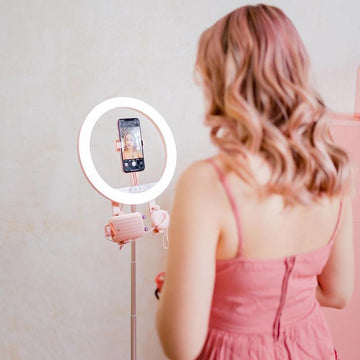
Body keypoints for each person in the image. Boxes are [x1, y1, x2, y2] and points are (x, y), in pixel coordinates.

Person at [155, 4, 355, 360]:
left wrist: (173, 291)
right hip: (313, 349)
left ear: (222, 83)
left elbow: (181, 346)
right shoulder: (329, 170)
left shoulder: (207, 184)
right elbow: (338, 293)